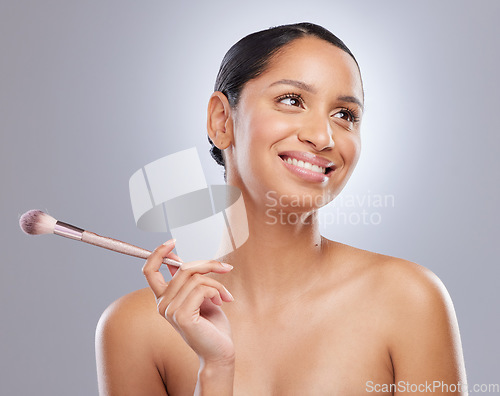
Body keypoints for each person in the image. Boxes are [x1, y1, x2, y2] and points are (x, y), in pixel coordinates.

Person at [95, 22, 467, 395]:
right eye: (292, 100)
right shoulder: (136, 328)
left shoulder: (408, 301)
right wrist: (216, 371)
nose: (322, 137)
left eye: (345, 115)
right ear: (221, 121)